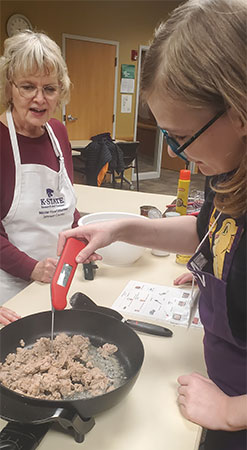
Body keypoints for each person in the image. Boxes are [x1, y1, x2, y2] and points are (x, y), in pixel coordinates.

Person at [58, 0, 246, 448]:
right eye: (168, 136)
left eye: (182, 138)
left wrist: (232, 411)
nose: (179, 155)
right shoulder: (229, 173)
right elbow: (204, 231)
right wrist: (121, 228)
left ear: (239, 110)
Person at [0, 30, 80, 305]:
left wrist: (84, 238)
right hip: (12, 287)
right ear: (10, 87)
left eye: (49, 88)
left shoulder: (58, 132)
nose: (40, 99)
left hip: (62, 275)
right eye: (27, 86)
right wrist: (31, 268)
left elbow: (66, 203)